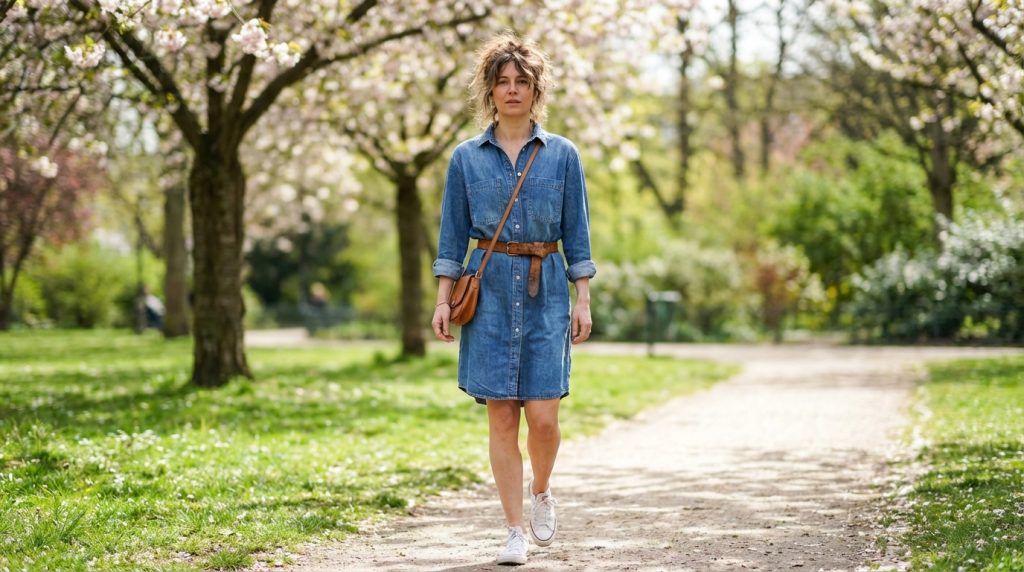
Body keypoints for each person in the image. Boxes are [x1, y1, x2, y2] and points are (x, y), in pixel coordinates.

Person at [430, 31, 595, 566]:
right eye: (502, 81)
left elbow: (578, 234)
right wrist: (443, 300)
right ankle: (513, 531)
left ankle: (541, 489)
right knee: (502, 418)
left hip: (546, 294)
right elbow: (452, 238)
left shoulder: (563, 155)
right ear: (490, 90)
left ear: (536, 90)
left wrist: (582, 298)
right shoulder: (465, 159)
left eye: (522, 81)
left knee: (543, 418)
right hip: (489, 294)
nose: (512, 90)